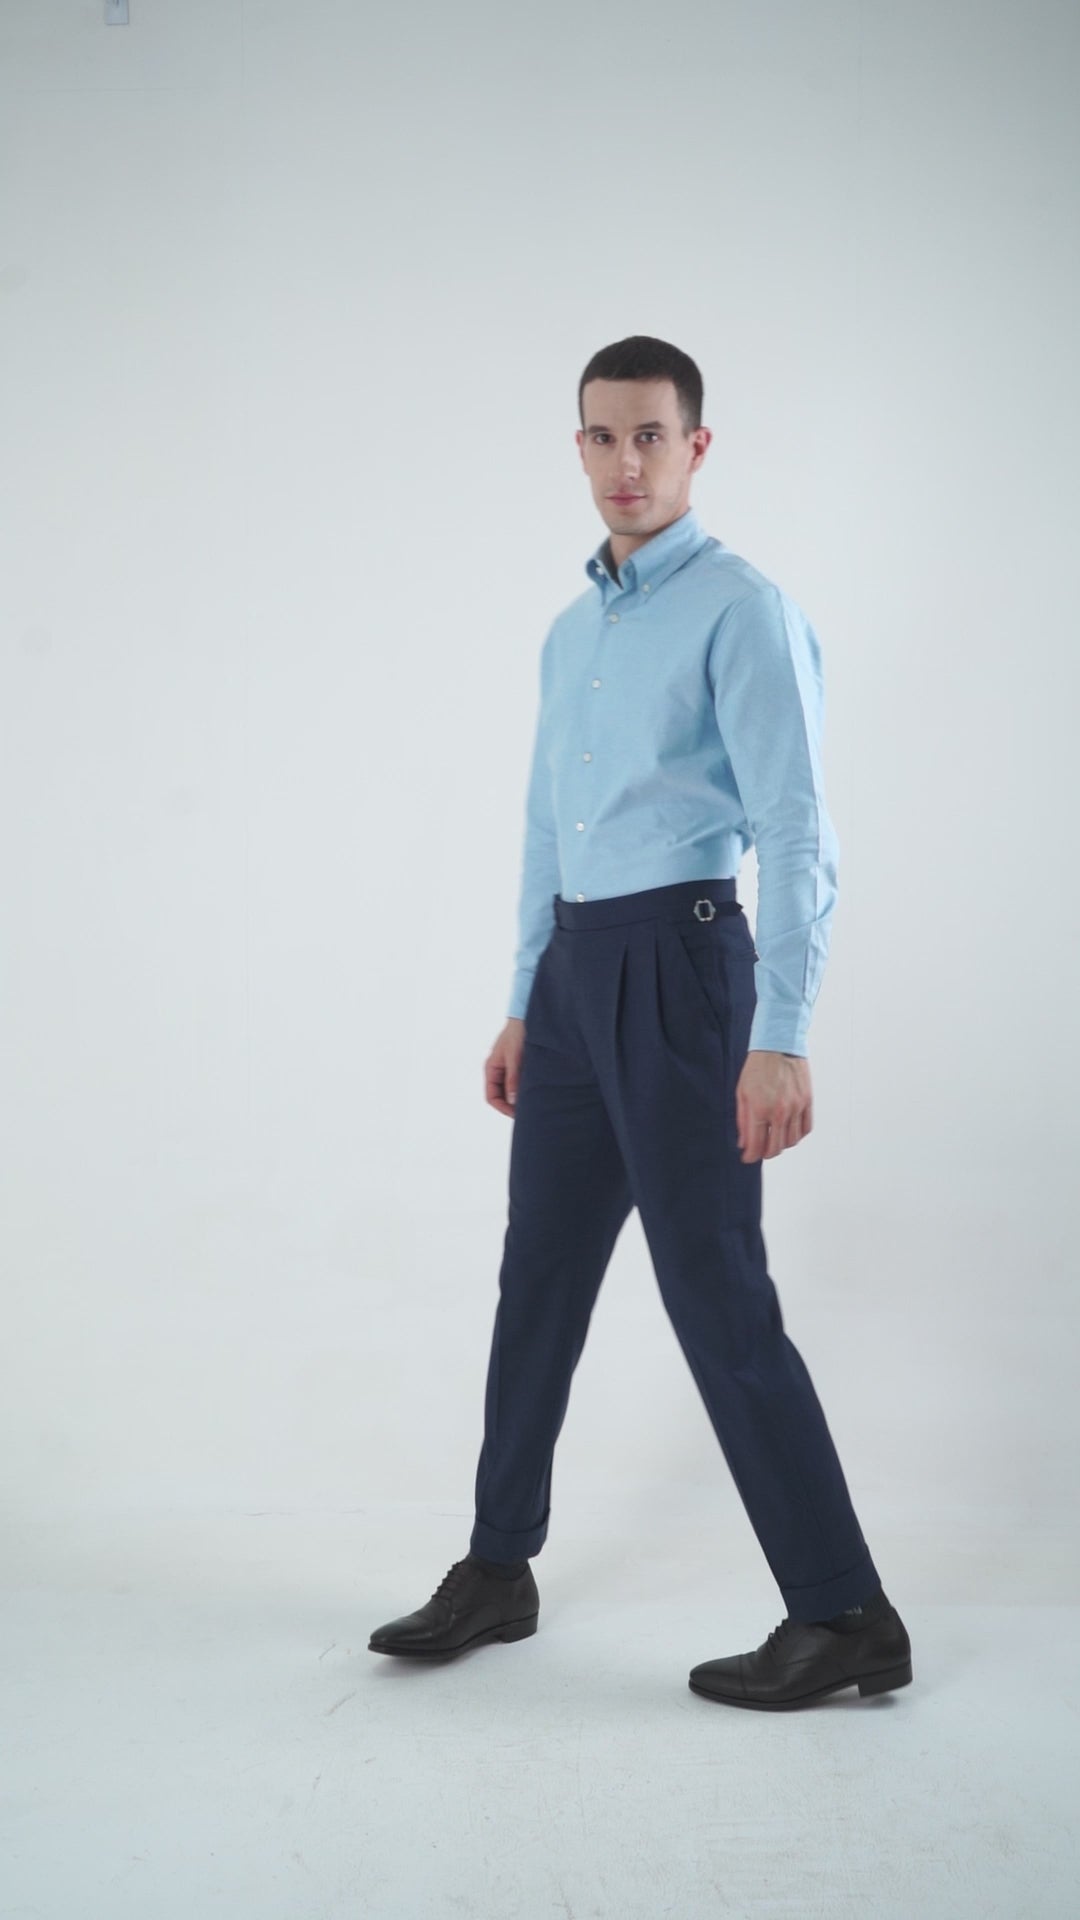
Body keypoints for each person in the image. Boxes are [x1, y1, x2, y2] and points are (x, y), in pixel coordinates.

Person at [368, 335, 912, 1708]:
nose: (626, 462)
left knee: (716, 1291)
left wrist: (781, 1031)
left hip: (682, 968)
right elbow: (545, 828)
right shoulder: (572, 633)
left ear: (696, 447)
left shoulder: (743, 608)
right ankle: (499, 1566)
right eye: (603, 437)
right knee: (538, 1275)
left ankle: (846, 1610)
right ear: (580, 448)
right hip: (572, 981)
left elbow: (798, 830)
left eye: (651, 436)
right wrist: (524, 1000)